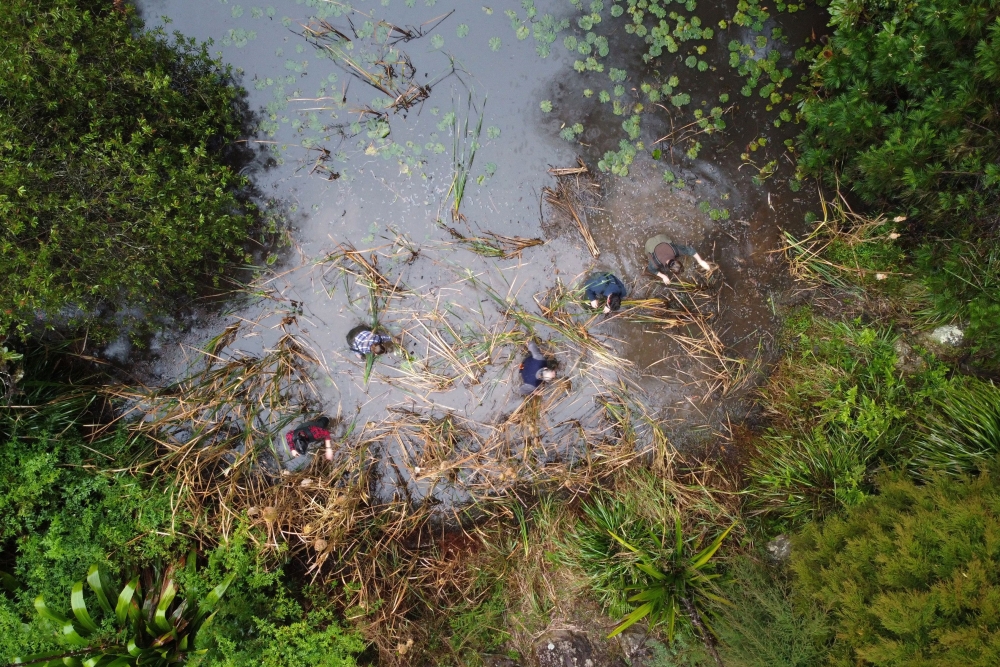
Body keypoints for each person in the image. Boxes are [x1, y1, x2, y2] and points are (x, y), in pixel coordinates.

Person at [645, 234, 713, 285]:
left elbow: (691, 250)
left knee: (671, 244)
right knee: (648, 254)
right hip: (650, 243)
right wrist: (663, 276)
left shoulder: (676, 250)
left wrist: (700, 261)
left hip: (661, 237)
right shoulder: (655, 263)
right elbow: (650, 269)